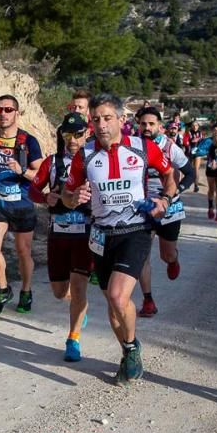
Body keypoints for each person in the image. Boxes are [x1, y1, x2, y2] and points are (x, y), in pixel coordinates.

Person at [62, 94, 176, 385]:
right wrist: (74, 198)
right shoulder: (84, 155)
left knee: (117, 295)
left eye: (107, 118)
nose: (101, 125)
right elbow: (66, 194)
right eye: (96, 119)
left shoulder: (142, 147)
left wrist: (165, 198)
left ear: (121, 120)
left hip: (135, 231)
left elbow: (169, 174)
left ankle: (132, 346)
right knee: (114, 308)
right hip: (101, 235)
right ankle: (129, 349)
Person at [29, 112, 93, 361]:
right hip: (58, 234)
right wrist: (45, 197)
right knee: (59, 291)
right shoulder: (52, 162)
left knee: (79, 288)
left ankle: (73, 339)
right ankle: (79, 306)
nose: (72, 140)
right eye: (67, 135)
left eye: (78, 134)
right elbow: (33, 188)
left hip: (84, 235)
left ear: (87, 134)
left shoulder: (95, 161)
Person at [0, 95, 43, 314]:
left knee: (23, 251)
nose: (3, 113)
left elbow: (40, 176)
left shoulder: (28, 141)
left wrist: (22, 171)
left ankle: (26, 290)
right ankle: (3, 289)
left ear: (17, 113)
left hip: (22, 204)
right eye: (0, 109)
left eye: (8, 109)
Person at [134, 107, 196, 317]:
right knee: (142, 255)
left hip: (169, 206)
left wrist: (173, 193)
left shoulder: (170, 147)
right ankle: (148, 300)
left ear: (159, 126)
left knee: (166, 254)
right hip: (144, 208)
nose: (147, 128)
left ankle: (173, 259)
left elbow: (190, 173)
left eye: (151, 124)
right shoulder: (132, 146)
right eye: (143, 124)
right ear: (138, 125)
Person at [182, 121, 204, 193]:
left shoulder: (201, 133)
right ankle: (186, 183)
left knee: (196, 169)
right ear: (191, 126)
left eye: (196, 125)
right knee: (188, 169)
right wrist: (190, 143)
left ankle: (196, 185)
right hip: (189, 153)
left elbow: (203, 142)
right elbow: (185, 142)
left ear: (198, 126)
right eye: (193, 125)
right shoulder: (188, 133)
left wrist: (199, 142)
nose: (195, 127)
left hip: (197, 153)